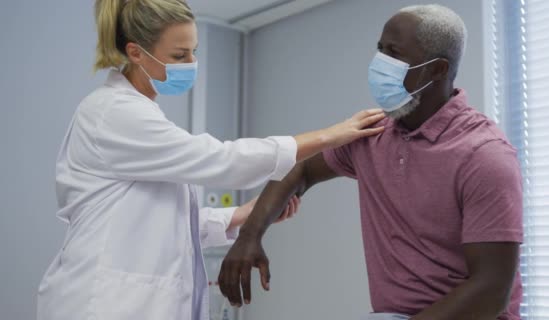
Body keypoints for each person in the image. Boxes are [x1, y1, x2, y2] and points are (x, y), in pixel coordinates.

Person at [36, 1, 386, 319]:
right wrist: (331, 134)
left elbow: (164, 223)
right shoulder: (113, 113)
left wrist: (240, 215)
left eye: (194, 52)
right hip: (102, 304)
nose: (191, 64)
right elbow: (222, 160)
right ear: (136, 53)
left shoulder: (140, 116)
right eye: (178, 55)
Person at [218, 4, 523, 320]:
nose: (381, 63)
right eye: (380, 50)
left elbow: (491, 290)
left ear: (437, 69)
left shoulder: (484, 155)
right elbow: (302, 167)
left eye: (395, 53)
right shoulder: (373, 133)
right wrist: (248, 237)